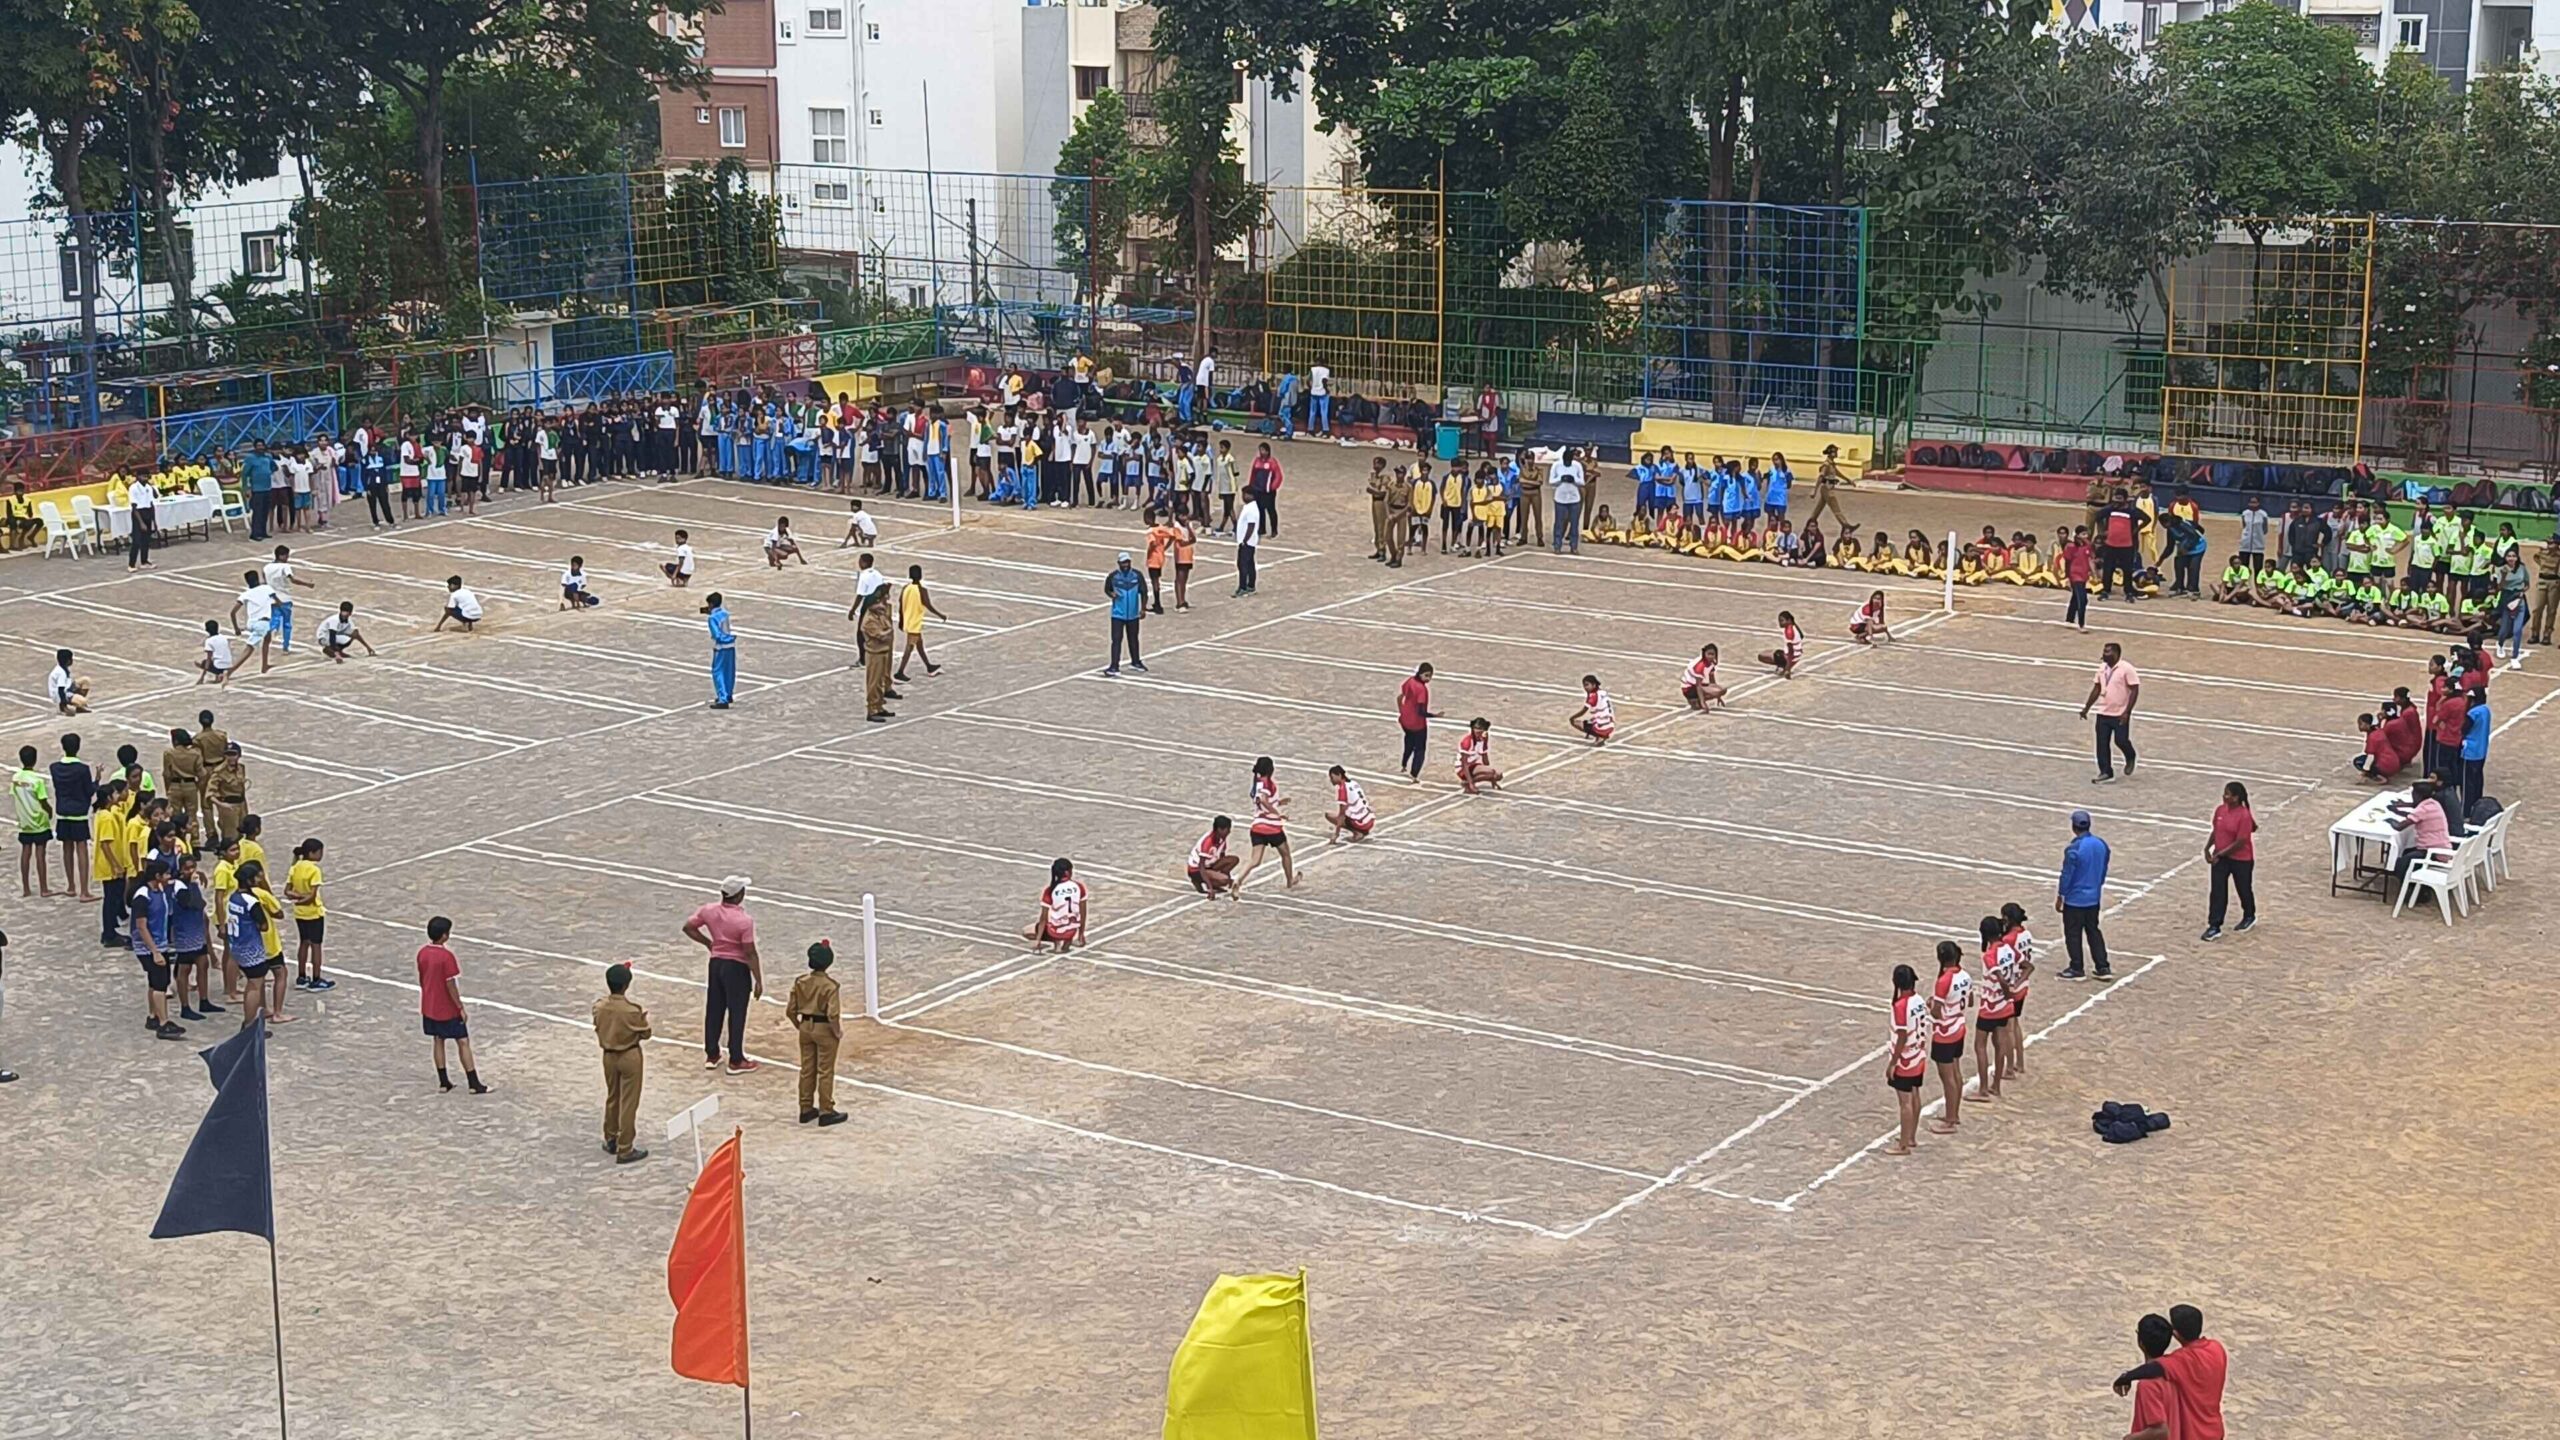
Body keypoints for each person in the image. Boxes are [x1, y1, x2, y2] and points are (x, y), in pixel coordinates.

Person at [2112, 1304, 2227, 1440]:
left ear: (2176, 1334)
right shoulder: (2216, 1348)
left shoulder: (2181, 1361)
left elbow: (2154, 1368)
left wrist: (2127, 1377)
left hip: (2194, 1434)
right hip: (2215, 1430)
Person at [685, 876, 764, 1074]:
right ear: (739, 895)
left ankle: (712, 1054)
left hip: (716, 963)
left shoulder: (709, 910)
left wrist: (708, 943)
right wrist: (758, 979)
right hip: (736, 968)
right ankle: (736, 1059)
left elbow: (689, 927)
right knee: (737, 1012)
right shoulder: (744, 921)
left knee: (714, 1008)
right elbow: (749, 952)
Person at [417, 916, 488, 1093]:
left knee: (438, 1039)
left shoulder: (422, 953)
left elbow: (422, 979)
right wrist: (459, 1007)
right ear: (444, 936)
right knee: (463, 1041)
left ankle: (443, 1082)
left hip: (429, 1005)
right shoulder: (446, 957)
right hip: (446, 1008)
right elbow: (450, 984)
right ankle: (474, 1084)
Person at [592, 963, 653, 1164]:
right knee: (629, 1102)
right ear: (626, 985)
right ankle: (625, 1147)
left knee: (613, 1096)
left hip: (608, 1056)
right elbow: (645, 1033)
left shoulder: (599, 1006)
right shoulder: (632, 1011)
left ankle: (610, 1137)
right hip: (629, 1055)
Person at [789, 940, 849, 1126]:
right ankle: (826, 1109)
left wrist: (799, 1025)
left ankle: (805, 1107)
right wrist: (837, 1032)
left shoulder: (800, 982)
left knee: (807, 1069)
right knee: (825, 1071)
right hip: (824, 1029)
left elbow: (791, 1010)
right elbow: (833, 1014)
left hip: (805, 1026)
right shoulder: (830, 986)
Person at [2056, 809, 2112, 980]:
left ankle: (2076, 967)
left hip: (2075, 899)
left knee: (2073, 933)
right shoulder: (2101, 844)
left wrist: (2061, 895)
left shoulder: (2074, 849)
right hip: (2093, 898)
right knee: (2093, 930)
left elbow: (2067, 875)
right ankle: (2102, 966)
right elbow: (2104, 868)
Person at [1232, 757, 1299, 894]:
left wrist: (1279, 802)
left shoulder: (1257, 784)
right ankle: (1289, 880)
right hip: (1272, 827)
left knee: (1255, 860)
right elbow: (1264, 801)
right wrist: (1278, 814)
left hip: (1257, 827)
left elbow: (1265, 800)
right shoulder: (1268, 783)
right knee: (1286, 854)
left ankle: (1238, 880)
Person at [2202, 781, 2258, 941]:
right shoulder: (2220, 810)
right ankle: (2214, 925)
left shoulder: (2244, 815)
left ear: (2236, 797)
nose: (2224, 797)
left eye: (2228, 794)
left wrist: (2221, 854)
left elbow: (2241, 841)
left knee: (2243, 888)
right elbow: (2216, 830)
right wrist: (2208, 848)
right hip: (2221, 857)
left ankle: (2249, 915)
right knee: (2217, 891)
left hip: (2241, 859)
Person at [1923, 939, 1970, 1133]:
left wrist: (1929, 1004)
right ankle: (1954, 1113)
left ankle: (1951, 1119)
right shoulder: (1965, 975)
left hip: (1944, 1032)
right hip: (1959, 1026)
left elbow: (1936, 1012)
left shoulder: (1944, 981)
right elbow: (1970, 999)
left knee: (1947, 1076)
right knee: (1956, 1072)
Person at [1883, 963, 1929, 1156]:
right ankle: (1910, 1136)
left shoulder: (1901, 1006)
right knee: (1915, 1094)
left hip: (1906, 1059)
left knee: (1905, 1102)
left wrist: (1893, 1062)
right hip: (1918, 1055)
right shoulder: (1919, 1000)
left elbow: (1902, 1036)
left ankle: (1903, 1145)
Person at [2080, 641, 2140, 783]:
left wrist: (2127, 712)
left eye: (2108, 652)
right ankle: (2106, 771)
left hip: (2120, 713)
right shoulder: (2102, 669)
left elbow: (2135, 689)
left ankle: (2130, 755)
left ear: (2116, 653)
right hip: (2103, 712)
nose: (2104, 654)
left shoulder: (2126, 669)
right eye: (2104, 651)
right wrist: (2086, 708)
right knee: (2102, 743)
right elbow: (2097, 688)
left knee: (2121, 740)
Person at [2121, 1314, 2180, 1440]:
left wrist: (2130, 1438)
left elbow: (2160, 1431)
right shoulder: (2174, 1373)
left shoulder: (2147, 1385)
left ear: (2140, 1342)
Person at [285, 837, 332, 992]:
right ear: (312, 853)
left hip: (300, 914)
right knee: (316, 946)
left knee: (304, 943)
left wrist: (297, 898)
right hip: (313, 912)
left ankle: (301, 976)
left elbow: (287, 891)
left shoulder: (295, 867)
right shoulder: (314, 870)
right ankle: (316, 979)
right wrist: (303, 899)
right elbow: (311, 896)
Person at [1022, 857, 1089, 952]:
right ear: (1067, 872)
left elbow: (1043, 919)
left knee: (1026, 931)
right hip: (1072, 929)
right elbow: (1083, 913)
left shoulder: (1050, 890)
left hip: (1055, 931)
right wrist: (1081, 934)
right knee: (1068, 922)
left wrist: (1038, 940)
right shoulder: (1079, 887)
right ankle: (1067, 940)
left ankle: (1057, 942)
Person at [894, 565, 946, 682]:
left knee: (919, 645)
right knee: (910, 647)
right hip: (915, 623)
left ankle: (929, 666)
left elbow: (901, 604)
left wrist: (901, 620)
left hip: (908, 620)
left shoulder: (905, 588)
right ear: (921, 576)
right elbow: (928, 605)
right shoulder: (922, 590)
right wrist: (940, 615)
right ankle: (900, 672)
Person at [13, 746, 52, 898]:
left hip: (25, 821)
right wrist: (49, 811)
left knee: (25, 853)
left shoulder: (16, 778)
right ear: (35, 759)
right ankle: (43, 888)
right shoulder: (37, 780)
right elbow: (43, 801)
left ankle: (26, 888)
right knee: (40, 854)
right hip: (39, 821)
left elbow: (15, 794)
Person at [1104, 551, 1148, 677]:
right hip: (1118, 614)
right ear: (1119, 563)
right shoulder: (1113, 576)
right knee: (1116, 640)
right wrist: (1112, 594)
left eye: (1127, 562)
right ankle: (1114, 666)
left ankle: (1136, 661)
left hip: (1133, 614)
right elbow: (1107, 589)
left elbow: (1144, 592)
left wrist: (1143, 608)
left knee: (1133, 639)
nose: (1126, 565)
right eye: (1123, 562)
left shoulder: (1137, 575)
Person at [229, 569, 281, 674]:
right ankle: (229, 671)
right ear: (258, 579)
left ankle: (264, 665)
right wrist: (269, 605)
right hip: (262, 623)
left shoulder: (246, 594)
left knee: (267, 638)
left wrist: (236, 629)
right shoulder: (266, 588)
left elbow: (232, 612)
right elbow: (278, 602)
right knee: (249, 649)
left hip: (252, 622)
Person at [1396, 663, 1437, 782]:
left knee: (1408, 742)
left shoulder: (1409, 681)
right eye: (1426, 675)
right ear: (1420, 674)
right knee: (1420, 750)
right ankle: (1414, 774)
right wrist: (1434, 715)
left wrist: (1402, 712)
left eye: (1430, 676)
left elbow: (1400, 697)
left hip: (1405, 720)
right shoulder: (1421, 689)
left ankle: (1403, 764)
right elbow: (1421, 712)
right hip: (1417, 724)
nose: (1428, 679)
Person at [1186, 816, 1240, 900]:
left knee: (1234, 860)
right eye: (1227, 829)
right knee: (1224, 880)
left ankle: (1216, 879)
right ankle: (1203, 881)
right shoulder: (1208, 842)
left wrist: (1228, 875)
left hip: (1210, 865)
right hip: (1196, 870)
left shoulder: (1222, 839)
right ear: (1219, 829)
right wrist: (1210, 888)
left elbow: (1222, 857)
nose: (1229, 832)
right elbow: (1201, 866)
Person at [2459, 685, 2491, 817]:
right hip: (2481, 750)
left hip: (2469, 752)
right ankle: (2477, 807)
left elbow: (2464, 729)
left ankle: (2465, 811)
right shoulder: (2486, 710)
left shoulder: (2473, 713)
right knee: (2477, 780)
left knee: (2467, 783)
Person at [1323, 765, 1375, 844]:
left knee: (1329, 815)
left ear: (1339, 775)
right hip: (1370, 820)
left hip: (1361, 823)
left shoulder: (1342, 789)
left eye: (1332, 777)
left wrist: (1336, 834)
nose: (1331, 780)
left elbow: (1341, 815)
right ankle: (1362, 830)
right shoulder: (1354, 783)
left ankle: (1357, 832)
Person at [704, 592, 738, 710]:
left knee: (718, 672)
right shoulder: (725, 614)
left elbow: (717, 635)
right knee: (729, 671)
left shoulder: (712, 618)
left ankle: (722, 698)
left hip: (721, 647)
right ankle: (728, 694)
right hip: (731, 646)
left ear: (711, 604)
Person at [1455, 717, 1503, 795]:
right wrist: (1471, 784)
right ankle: (1468, 783)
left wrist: (1492, 780)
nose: (1477, 731)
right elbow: (1464, 764)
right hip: (1463, 769)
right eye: (1476, 728)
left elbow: (1485, 758)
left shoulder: (1482, 739)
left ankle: (1469, 782)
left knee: (1498, 775)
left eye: (1480, 728)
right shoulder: (1467, 741)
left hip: (1474, 765)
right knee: (1491, 772)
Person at [1233, 485, 1264, 596]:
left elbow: (1251, 525)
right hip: (1249, 541)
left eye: (1245, 494)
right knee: (1249, 564)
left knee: (1243, 565)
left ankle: (1243, 587)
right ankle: (1251, 585)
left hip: (1247, 542)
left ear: (1251, 495)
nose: (1243, 496)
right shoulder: (1250, 507)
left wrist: (1245, 540)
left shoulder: (1251, 509)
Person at [1568, 674, 1616, 744]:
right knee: (1592, 719)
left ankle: (1599, 736)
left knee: (1574, 722)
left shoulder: (1593, 696)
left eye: (1587, 685)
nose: (1585, 687)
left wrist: (1572, 717)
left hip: (1602, 727)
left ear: (1594, 685)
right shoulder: (1603, 692)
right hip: (1611, 726)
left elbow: (1583, 711)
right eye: (1584, 685)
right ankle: (1600, 734)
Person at [1756, 611, 1804, 679]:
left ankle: (1782, 665)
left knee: (1761, 656)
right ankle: (1782, 664)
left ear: (1789, 620)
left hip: (1790, 657)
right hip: (1798, 655)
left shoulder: (1789, 632)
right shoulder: (1794, 627)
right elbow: (1801, 636)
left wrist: (1788, 669)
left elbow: (1791, 651)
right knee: (1772, 651)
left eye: (1782, 621)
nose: (1780, 623)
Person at [1681, 644, 1726, 712]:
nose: (1710, 656)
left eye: (1712, 654)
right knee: (1717, 691)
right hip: (1689, 688)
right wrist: (1703, 703)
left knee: (1721, 690)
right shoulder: (1700, 666)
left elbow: (1712, 680)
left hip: (1696, 685)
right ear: (1704, 654)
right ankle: (1695, 700)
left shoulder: (1711, 663)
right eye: (1709, 654)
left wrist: (1718, 697)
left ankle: (1697, 700)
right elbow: (1698, 685)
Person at [48, 649, 91, 715]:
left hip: (67, 686)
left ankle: (79, 707)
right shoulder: (60, 673)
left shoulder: (63, 667)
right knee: (83, 701)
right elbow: (61, 690)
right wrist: (64, 707)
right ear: (68, 661)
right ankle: (65, 706)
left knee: (86, 680)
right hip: (60, 693)